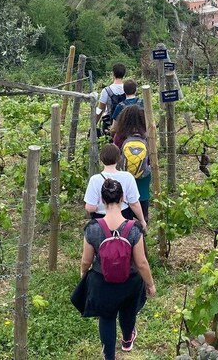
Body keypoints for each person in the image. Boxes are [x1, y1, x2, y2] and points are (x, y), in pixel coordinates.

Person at [76, 179, 156, 360]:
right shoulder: (134, 228)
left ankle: (109, 356)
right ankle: (127, 340)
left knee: (106, 317)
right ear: (122, 198)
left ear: (102, 201)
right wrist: (150, 284)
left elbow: (86, 260)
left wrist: (83, 276)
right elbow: (141, 262)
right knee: (128, 311)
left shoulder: (92, 228)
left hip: (101, 281)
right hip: (130, 281)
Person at [84, 144, 147, 231]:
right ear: (119, 158)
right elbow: (134, 203)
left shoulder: (95, 180)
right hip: (124, 217)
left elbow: (90, 208)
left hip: (100, 220)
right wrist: (142, 220)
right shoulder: (127, 177)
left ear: (101, 159)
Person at [113, 104, 151, 221]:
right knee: (142, 198)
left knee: (125, 202)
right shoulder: (147, 135)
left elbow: (116, 156)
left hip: (124, 175)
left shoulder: (119, 136)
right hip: (143, 174)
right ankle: (143, 223)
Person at [97, 63, 126, 137]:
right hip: (125, 124)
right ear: (124, 74)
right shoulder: (127, 89)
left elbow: (100, 109)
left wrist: (94, 123)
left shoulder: (106, 91)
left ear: (113, 74)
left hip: (109, 124)